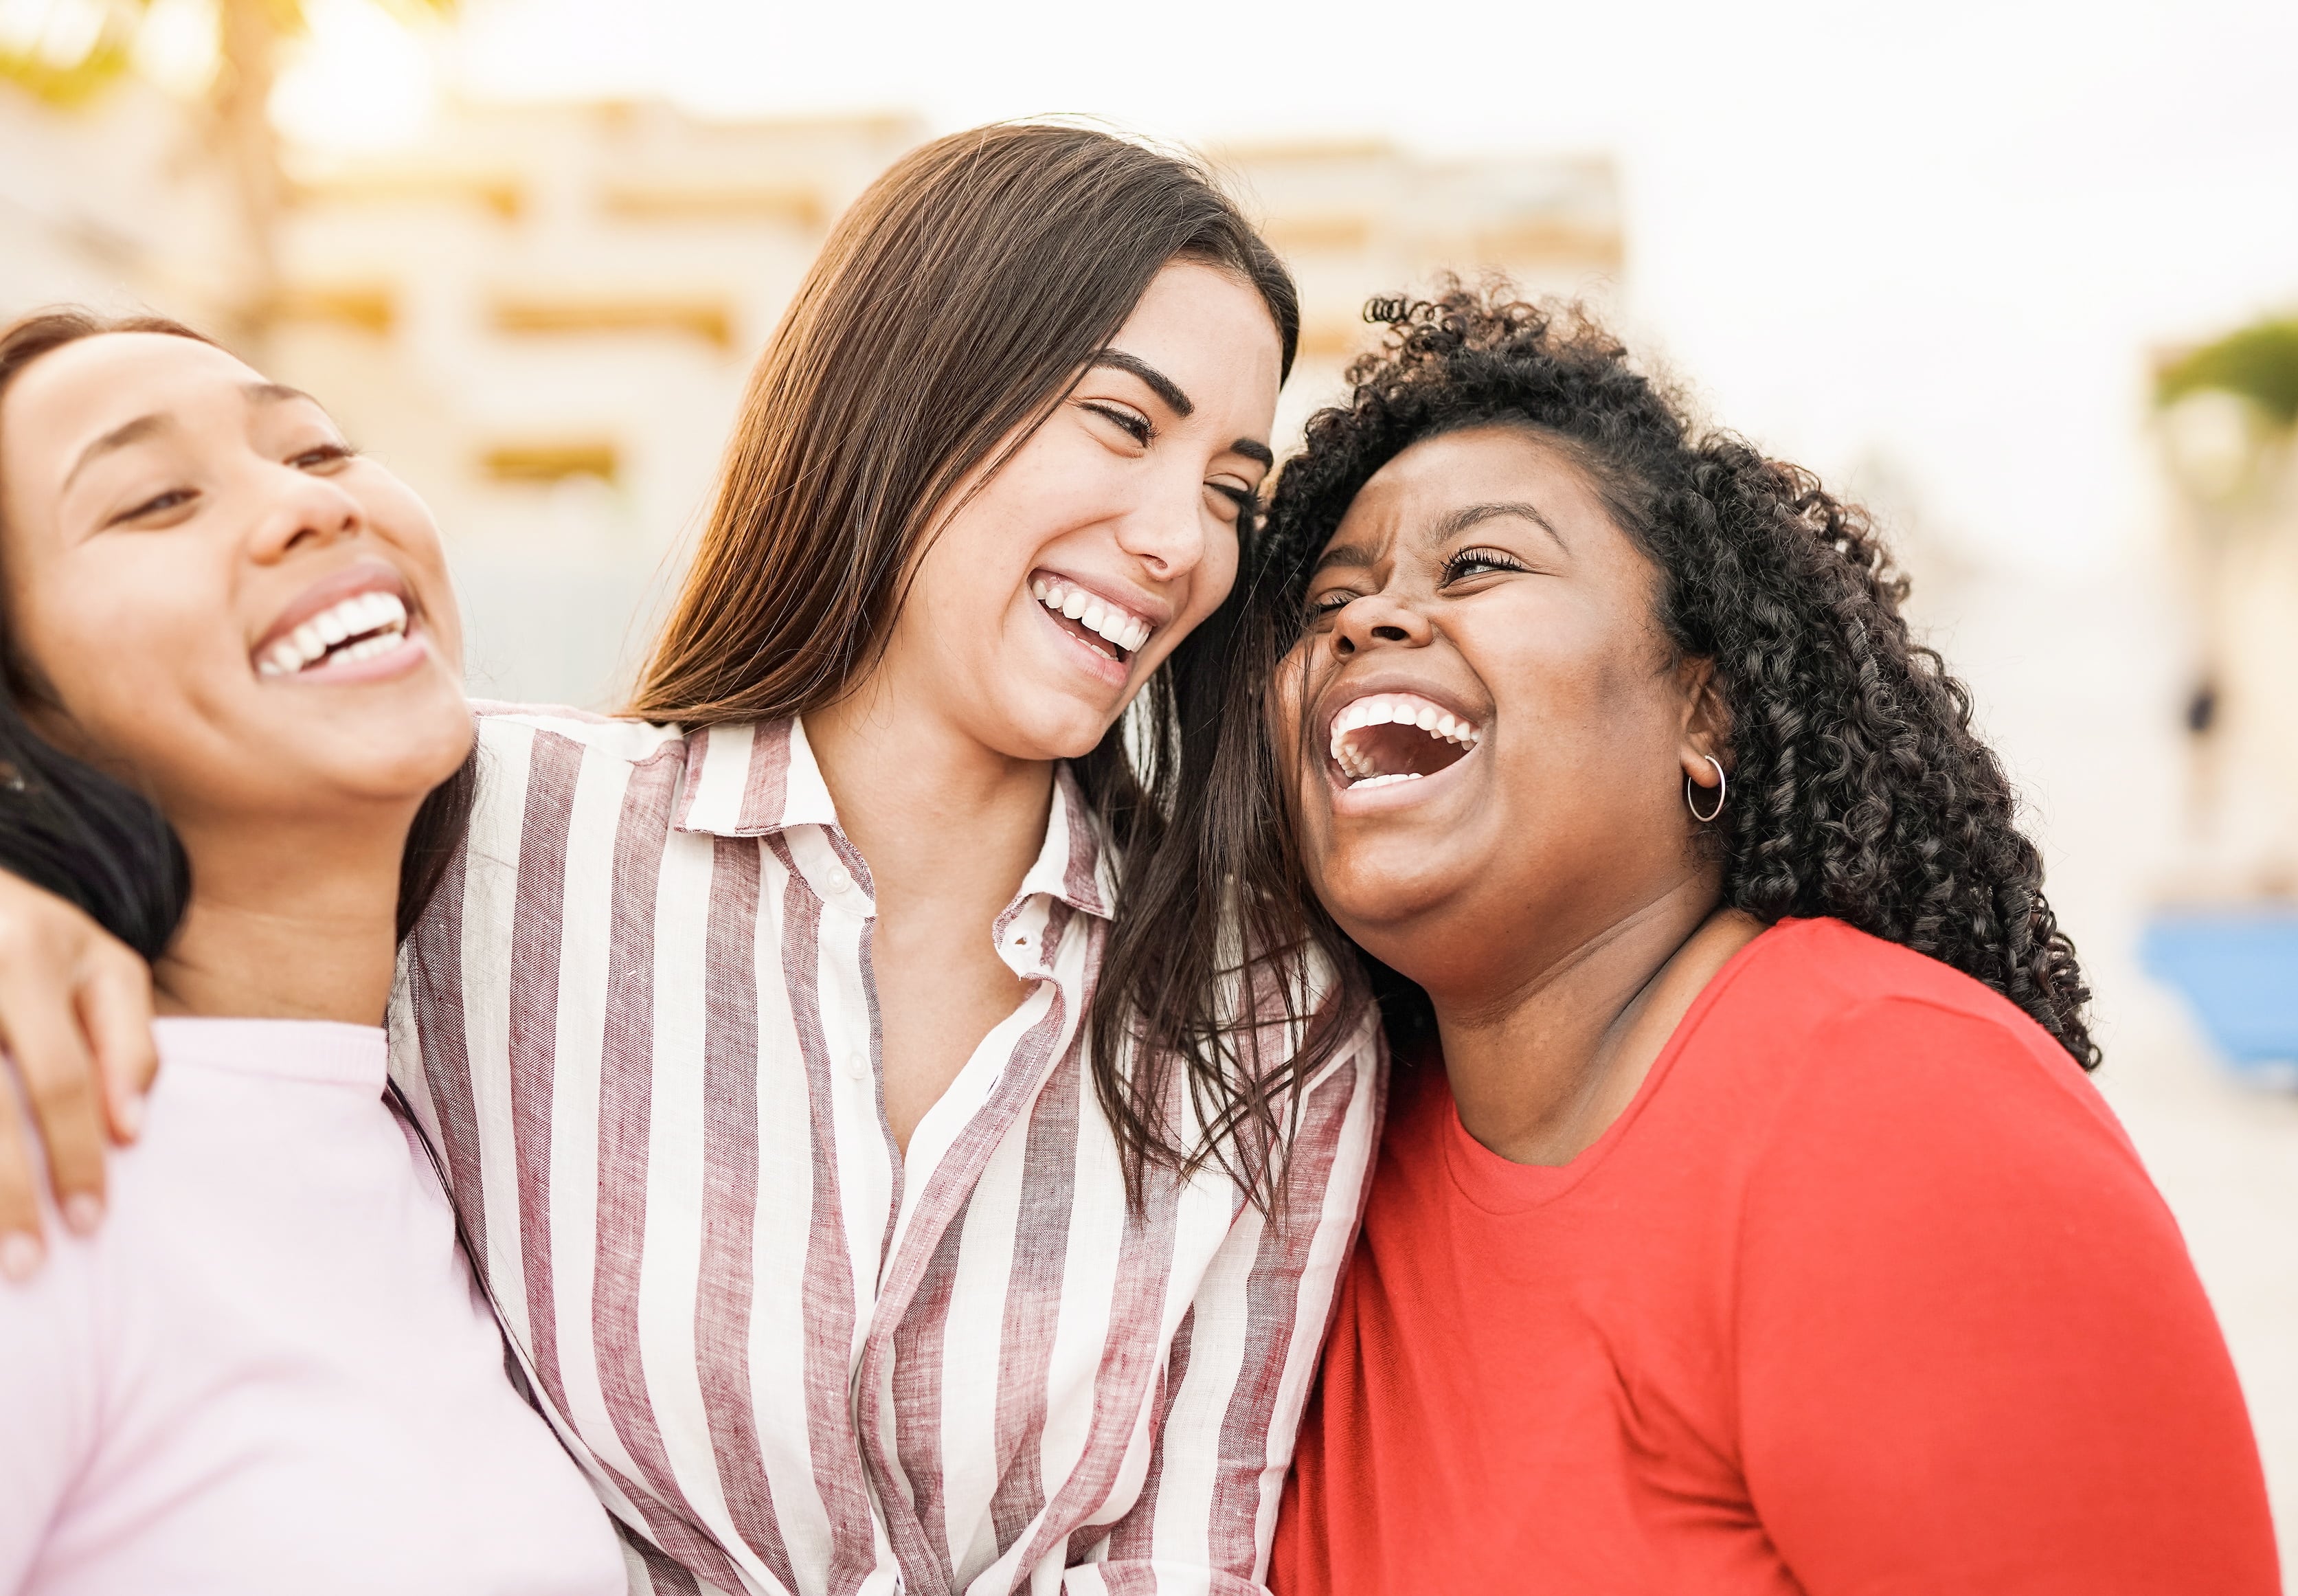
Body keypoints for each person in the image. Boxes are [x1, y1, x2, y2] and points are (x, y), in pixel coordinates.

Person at [0, 126, 1379, 1596]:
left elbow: (1188, 1556)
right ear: (914, 391)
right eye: (1122, 423)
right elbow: (223, 853)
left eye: (1233, 488)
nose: (1180, 539)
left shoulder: (1270, 1012)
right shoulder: (489, 835)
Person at [1239, 288, 2282, 1594]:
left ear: (1705, 710)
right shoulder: (1319, 1164)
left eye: (1480, 566)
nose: (1366, 622)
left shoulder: (1899, 1118)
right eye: (1330, 597)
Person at [0, 311, 628, 1594]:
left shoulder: (429, 1128)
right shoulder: (41, 1147)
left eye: (319, 450)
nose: (304, 507)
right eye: (155, 499)